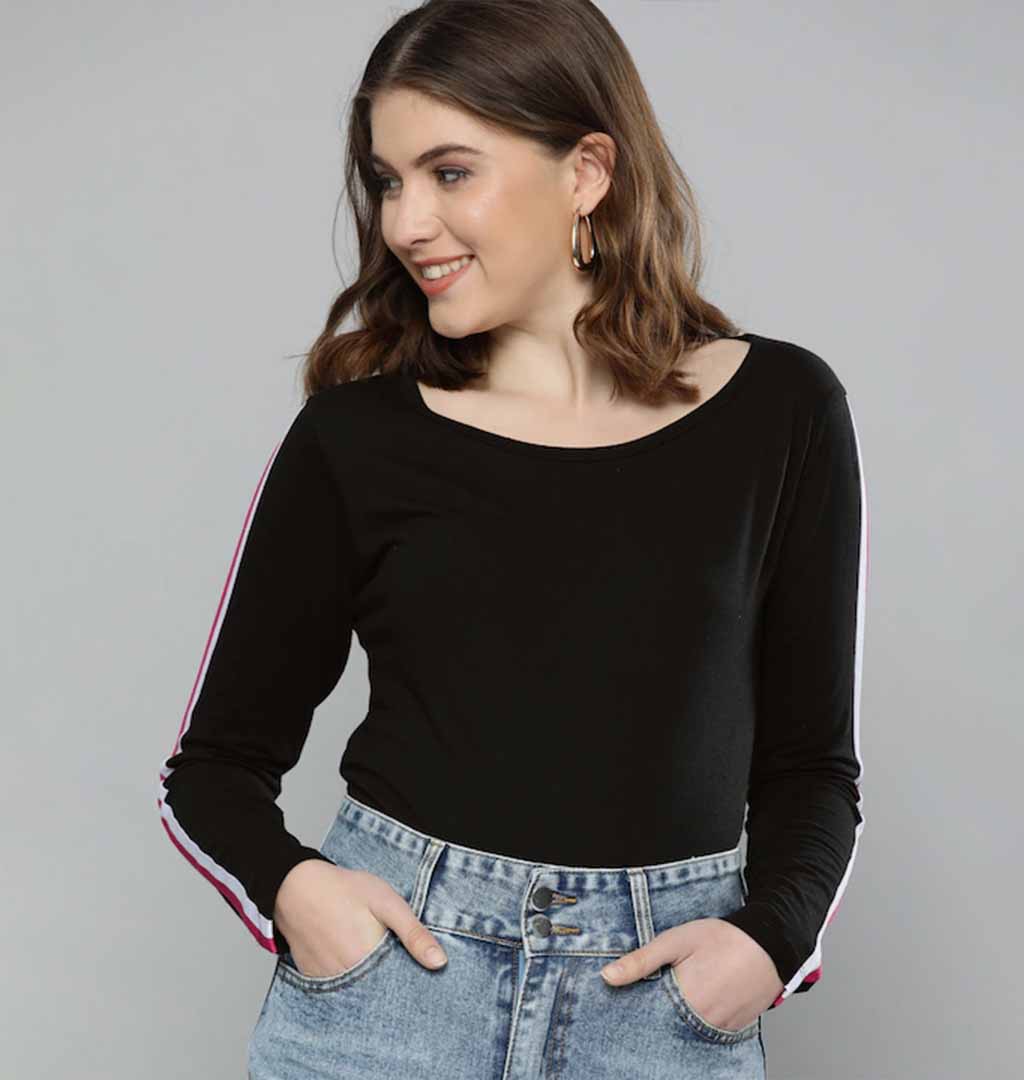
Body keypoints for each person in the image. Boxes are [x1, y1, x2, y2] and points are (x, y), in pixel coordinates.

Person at [156, 2, 868, 1076]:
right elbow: (211, 768)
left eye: (449, 172)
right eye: (388, 181)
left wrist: (767, 947)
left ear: (587, 171)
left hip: (662, 1012)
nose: (406, 223)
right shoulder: (357, 438)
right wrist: (298, 895)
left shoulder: (782, 412)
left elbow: (813, 767)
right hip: (391, 999)